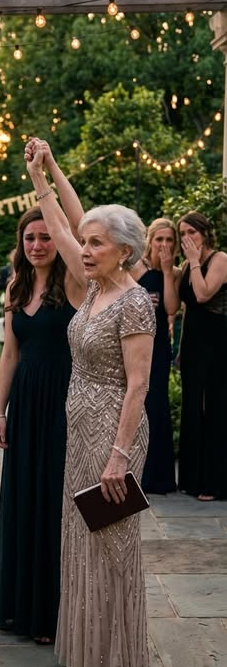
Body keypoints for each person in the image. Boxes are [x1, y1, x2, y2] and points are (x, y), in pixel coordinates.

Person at [26, 138, 155, 667]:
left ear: (123, 252)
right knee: (82, 543)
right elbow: (68, 224)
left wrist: (119, 457)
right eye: (86, 242)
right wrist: (44, 174)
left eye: (97, 243)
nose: (85, 248)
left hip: (113, 438)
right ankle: (89, 658)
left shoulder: (134, 302)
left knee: (111, 549)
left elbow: (139, 386)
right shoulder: (95, 286)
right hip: (79, 433)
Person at [0, 207, 85, 643]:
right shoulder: (17, 285)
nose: (37, 245)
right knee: (25, 496)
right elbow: (10, 353)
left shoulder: (75, 282)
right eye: (30, 238)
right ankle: (22, 605)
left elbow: (77, 225)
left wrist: (45, 183)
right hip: (26, 404)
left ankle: (52, 611)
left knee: (54, 499)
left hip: (64, 401)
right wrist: (0, 411)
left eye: (46, 237)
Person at [177, 211, 227, 501]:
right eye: (182, 234)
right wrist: (181, 349)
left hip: (217, 344)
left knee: (214, 409)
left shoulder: (219, 259)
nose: (187, 238)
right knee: (192, 407)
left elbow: (203, 294)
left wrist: (195, 262)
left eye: (191, 232)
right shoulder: (187, 264)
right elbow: (185, 309)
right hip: (193, 344)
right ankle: (192, 479)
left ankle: (214, 482)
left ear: (205, 233)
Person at [131, 218, 180, 494]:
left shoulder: (172, 272)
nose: (164, 245)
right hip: (132, 345)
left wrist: (167, 271)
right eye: (159, 239)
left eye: (169, 240)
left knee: (156, 406)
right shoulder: (135, 267)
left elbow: (171, 308)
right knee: (134, 404)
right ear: (149, 240)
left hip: (158, 348)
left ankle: (158, 476)